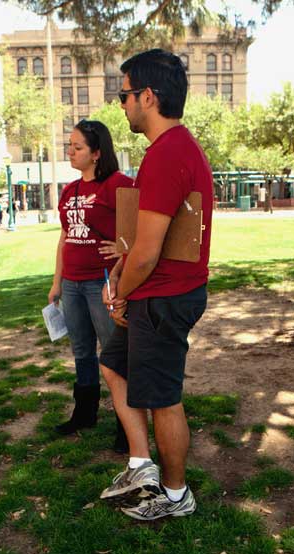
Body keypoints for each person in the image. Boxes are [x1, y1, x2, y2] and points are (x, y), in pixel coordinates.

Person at [98, 49, 213, 521]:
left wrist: (120, 290)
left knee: (164, 399)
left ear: (148, 96)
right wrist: (123, 282)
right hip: (157, 293)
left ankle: (174, 494)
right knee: (114, 366)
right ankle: (142, 464)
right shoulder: (170, 150)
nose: (120, 103)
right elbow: (144, 242)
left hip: (163, 298)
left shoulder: (169, 155)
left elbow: (146, 251)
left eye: (124, 94)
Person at [48, 120, 134, 452]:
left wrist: (124, 248)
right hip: (72, 283)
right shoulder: (69, 191)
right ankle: (85, 413)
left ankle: (127, 426)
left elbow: (145, 225)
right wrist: (57, 282)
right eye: (69, 146)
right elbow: (64, 238)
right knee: (81, 350)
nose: (70, 151)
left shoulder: (118, 185)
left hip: (102, 282)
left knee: (113, 352)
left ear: (97, 153)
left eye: (77, 147)